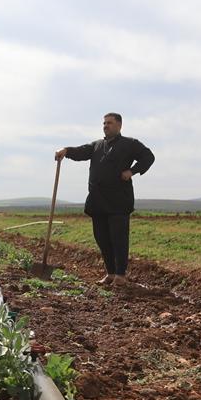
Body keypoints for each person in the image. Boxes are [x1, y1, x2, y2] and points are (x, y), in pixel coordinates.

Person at [55, 113, 155, 286]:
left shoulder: (130, 144)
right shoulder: (97, 145)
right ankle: (110, 273)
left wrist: (132, 171)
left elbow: (148, 157)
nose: (105, 126)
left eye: (109, 123)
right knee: (102, 239)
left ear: (119, 125)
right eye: (104, 123)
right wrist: (66, 151)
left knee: (119, 239)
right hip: (97, 201)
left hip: (118, 201)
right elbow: (81, 151)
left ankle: (121, 275)